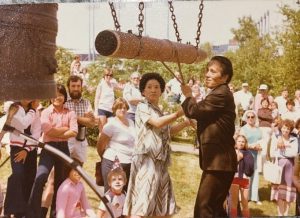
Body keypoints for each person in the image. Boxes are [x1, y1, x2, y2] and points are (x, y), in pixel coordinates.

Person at [123, 72, 191, 217]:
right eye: (149, 87)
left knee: (161, 206)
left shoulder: (159, 111)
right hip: (146, 160)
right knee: (142, 203)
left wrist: (185, 123)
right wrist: (179, 113)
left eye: (156, 87)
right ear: (143, 91)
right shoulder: (142, 107)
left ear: (161, 91)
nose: (153, 90)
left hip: (160, 161)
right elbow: (158, 124)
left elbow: (167, 131)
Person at [180, 56, 237, 217]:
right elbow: (211, 121)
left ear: (225, 77)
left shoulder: (221, 93)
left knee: (203, 210)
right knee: (215, 210)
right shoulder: (219, 93)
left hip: (219, 163)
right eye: (207, 70)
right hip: (219, 163)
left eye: (213, 71)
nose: (207, 74)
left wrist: (188, 96)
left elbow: (194, 111)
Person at [27, 84, 78, 218]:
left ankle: (56, 215)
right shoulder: (45, 112)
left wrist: (56, 132)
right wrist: (64, 129)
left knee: (60, 183)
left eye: (60, 94)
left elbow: (74, 131)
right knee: (41, 177)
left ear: (64, 97)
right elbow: (47, 130)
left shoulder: (70, 113)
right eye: (54, 94)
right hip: (48, 148)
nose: (57, 97)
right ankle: (33, 214)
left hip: (63, 148)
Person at [3, 100, 41, 218]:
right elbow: (23, 124)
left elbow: (36, 133)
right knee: (18, 174)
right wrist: (33, 110)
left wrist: (27, 150)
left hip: (30, 149)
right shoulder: (13, 107)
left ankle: (22, 212)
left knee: (29, 178)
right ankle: (9, 210)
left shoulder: (36, 111)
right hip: (17, 147)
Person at [97, 98, 135, 192]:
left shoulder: (131, 122)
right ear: (114, 110)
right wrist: (105, 158)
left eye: (124, 108)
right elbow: (100, 145)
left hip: (129, 163)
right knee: (111, 193)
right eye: (119, 108)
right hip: (113, 162)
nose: (122, 110)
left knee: (124, 194)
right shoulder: (111, 124)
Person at [65, 75, 97, 164]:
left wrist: (72, 116)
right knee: (59, 170)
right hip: (65, 140)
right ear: (68, 87)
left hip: (81, 140)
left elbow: (91, 123)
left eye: (78, 86)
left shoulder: (86, 103)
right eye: (73, 86)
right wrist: (83, 120)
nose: (76, 88)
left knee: (78, 172)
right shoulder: (63, 101)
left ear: (81, 87)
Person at [270, 119, 298, 216]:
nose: (285, 130)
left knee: (288, 191)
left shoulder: (294, 139)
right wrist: (287, 147)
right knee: (279, 192)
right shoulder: (276, 137)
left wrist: (282, 148)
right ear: (281, 128)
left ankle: (286, 214)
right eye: (284, 128)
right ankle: (280, 213)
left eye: (288, 128)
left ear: (290, 130)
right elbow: (272, 153)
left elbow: (294, 153)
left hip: (290, 167)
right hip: (279, 167)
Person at [240, 110, 263, 205]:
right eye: (248, 117)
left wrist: (260, 146)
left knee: (255, 175)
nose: (250, 118)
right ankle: (245, 196)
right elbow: (241, 143)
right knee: (247, 175)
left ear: (255, 118)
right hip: (246, 154)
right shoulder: (243, 129)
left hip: (257, 155)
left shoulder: (258, 129)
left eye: (252, 117)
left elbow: (262, 141)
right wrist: (251, 146)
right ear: (246, 118)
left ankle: (254, 197)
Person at [229, 135, 253, 218]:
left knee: (245, 202)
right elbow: (230, 165)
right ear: (236, 142)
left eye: (243, 141)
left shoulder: (248, 153)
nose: (241, 143)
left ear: (245, 143)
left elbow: (250, 168)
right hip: (235, 178)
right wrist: (237, 158)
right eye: (239, 141)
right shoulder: (232, 152)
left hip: (244, 179)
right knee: (234, 203)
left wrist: (244, 156)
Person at [94, 68, 118, 132]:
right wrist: (96, 112)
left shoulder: (112, 84)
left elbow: (121, 87)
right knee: (102, 131)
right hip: (102, 109)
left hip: (110, 110)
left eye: (111, 75)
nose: (108, 77)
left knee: (109, 132)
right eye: (107, 75)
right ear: (104, 75)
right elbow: (97, 98)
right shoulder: (101, 85)